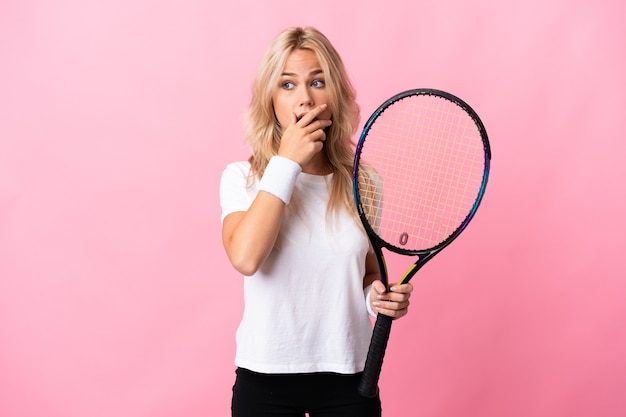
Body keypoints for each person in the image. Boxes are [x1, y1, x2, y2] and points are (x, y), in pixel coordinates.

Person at [219, 26, 414, 417]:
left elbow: (366, 273)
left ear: (335, 95)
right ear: (270, 99)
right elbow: (246, 258)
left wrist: (376, 298)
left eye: (318, 82)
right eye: (287, 84)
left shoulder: (365, 183)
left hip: (349, 377)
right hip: (267, 375)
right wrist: (287, 162)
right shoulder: (242, 178)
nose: (305, 98)